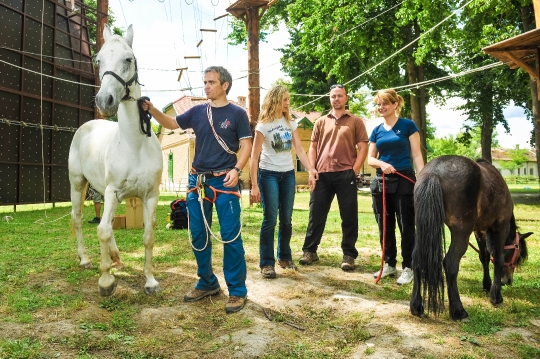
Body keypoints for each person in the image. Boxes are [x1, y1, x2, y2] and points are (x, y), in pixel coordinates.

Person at [142, 66, 252, 314]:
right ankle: (207, 282)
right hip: (198, 183)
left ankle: (237, 291)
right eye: (205, 82)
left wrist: (237, 169)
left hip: (225, 182)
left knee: (230, 237)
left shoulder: (237, 114)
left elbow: (246, 145)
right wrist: (152, 109)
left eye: (211, 82)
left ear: (225, 85)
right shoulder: (198, 111)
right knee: (198, 236)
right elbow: (171, 122)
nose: (206, 86)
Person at [299, 84, 368, 271]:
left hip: (346, 174)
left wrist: (354, 170)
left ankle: (349, 254)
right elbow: (312, 147)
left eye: (339, 96)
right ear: (329, 99)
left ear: (346, 98)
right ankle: (310, 251)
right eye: (333, 96)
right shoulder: (321, 122)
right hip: (322, 174)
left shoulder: (356, 121)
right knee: (316, 214)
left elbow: (363, 147)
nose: (336, 99)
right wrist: (312, 169)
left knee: (349, 215)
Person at [250, 85, 315, 279]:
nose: (288, 103)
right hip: (268, 174)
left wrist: (311, 169)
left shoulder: (291, 124)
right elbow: (254, 158)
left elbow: (300, 151)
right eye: (285, 99)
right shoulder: (263, 126)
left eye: (288, 99)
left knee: (286, 219)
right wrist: (254, 185)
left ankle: (285, 257)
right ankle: (267, 263)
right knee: (270, 219)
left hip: (287, 175)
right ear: (276, 100)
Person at [368, 88, 424, 285]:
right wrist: (382, 164)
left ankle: (409, 266)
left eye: (385, 103)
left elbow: (416, 154)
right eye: (378, 104)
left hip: (403, 181)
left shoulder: (408, 126)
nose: (381, 107)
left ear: (395, 104)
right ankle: (389, 264)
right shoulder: (376, 130)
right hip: (381, 182)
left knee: (406, 226)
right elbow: (370, 158)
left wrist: (422, 177)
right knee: (384, 226)